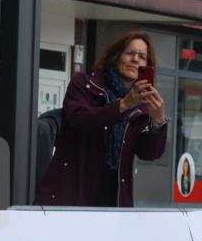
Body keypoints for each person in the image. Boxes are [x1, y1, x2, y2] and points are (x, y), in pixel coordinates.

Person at [35, 31, 167, 207]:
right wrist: (124, 104)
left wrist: (158, 122)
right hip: (72, 192)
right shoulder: (84, 84)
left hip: (114, 198)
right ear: (116, 56)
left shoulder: (142, 106)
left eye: (142, 57)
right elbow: (78, 119)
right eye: (130, 53)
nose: (136, 59)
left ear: (147, 66)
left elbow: (149, 153)